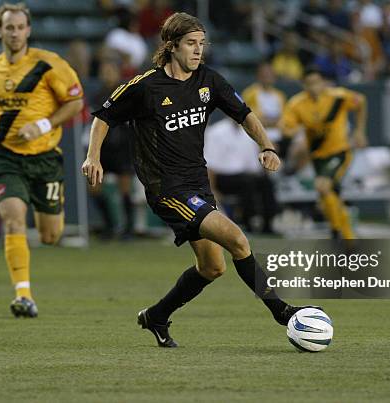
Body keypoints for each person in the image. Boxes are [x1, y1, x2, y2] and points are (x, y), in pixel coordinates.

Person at [83, 12, 317, 348]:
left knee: (212, 267)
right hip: (167, 188)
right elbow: (103, 117)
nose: (198, 50)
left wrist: (266, 146)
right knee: (238, 239)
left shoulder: (209, 80)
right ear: (172, 45)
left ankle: (156, 316)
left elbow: (245, 114)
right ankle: (281, 311)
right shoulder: (145, 86)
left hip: (198, 185)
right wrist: (93, 156)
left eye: (202, 44)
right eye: (191, 43)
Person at [0, 3, 84, 318]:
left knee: (50, 235)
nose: (14, 33)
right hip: (5, 157)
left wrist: (41, 125)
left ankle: (47, 225)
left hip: (44, 159)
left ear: (28, 30)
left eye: (20, 27)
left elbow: (76, 102)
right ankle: (23, 295)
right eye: (9, 27)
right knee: (12, 218)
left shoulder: (49, 64)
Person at [280, 67, 367, 239]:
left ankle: (335, 232)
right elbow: (285, 126)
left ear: (323, 83)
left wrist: (359, 131)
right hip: (318, 156)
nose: (313, 87)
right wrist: (291, 130)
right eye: (309, 84)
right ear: (303, 85)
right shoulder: (297, 104)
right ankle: (348, 238)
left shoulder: (338, 97)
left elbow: (361, 102)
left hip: (339, 151)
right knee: (328, 194)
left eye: (316, 83)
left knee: (322, 186)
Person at [87, 60, 135, 239]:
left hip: (122, 147)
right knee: (93, 188)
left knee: (125, 190)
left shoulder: (125, 92)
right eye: (104, 70)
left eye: (110, 70)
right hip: (103, 148)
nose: (107, 74)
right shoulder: (97, 95)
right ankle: (109, 226)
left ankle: (128, 229)